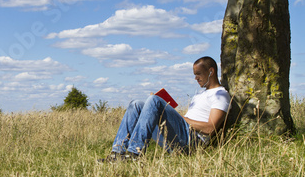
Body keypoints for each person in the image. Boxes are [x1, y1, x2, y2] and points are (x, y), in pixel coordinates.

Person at [98, 56, 231, 163]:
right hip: (179, 136)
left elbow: (210, 129)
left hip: (193, 142)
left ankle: (135, 153)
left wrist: (182, 119)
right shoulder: (199, 94)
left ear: (211, 71)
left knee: (154, 100)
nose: (195, 78)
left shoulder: (220, 94)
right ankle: (117, 153)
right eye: (194, 74)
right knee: (137, 104)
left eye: (198, 74)